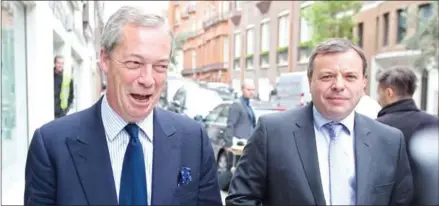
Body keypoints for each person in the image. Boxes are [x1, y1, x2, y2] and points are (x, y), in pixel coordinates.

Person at [24, 6, 222, 206]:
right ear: (105, 60)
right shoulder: (51, 145)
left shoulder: (193, 140)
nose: (148, 80)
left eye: (160, 66)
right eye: (135, 63)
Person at [226, 38, 413, 205]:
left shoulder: (390, 141)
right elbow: (241, 199)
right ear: (310, 81)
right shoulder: (272, 132)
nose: (339, 85)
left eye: (350, 77)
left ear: (363, 83)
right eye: (327, 76)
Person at [375, 66, 439, 206]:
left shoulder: (375, 128)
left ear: (389, 92)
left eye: (379, 93)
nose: (378, 99)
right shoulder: (435, 123)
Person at [226, 79, 257, 145]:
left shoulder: (249, 105)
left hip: (250, 142)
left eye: (253, 90)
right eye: (248, 90)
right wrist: (229, 143)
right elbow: (230, 125)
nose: (251, 92)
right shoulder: (236, 105)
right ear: (242, 90)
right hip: (240, 142)